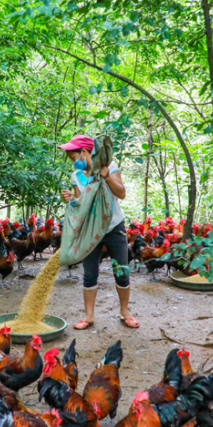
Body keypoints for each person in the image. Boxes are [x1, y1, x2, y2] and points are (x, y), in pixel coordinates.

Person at [58, 134, 138, 329]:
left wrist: (107, 177)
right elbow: (81, 205)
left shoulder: (110, 166)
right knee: (89, 273)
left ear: (84, 152)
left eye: (74, 157)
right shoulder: (76, 176)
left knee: (122, 271)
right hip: (90, 231)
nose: (73, 162)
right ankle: (89, 315)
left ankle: (125, 311)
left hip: (113, 226)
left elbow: (122, 193)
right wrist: (71, 199)